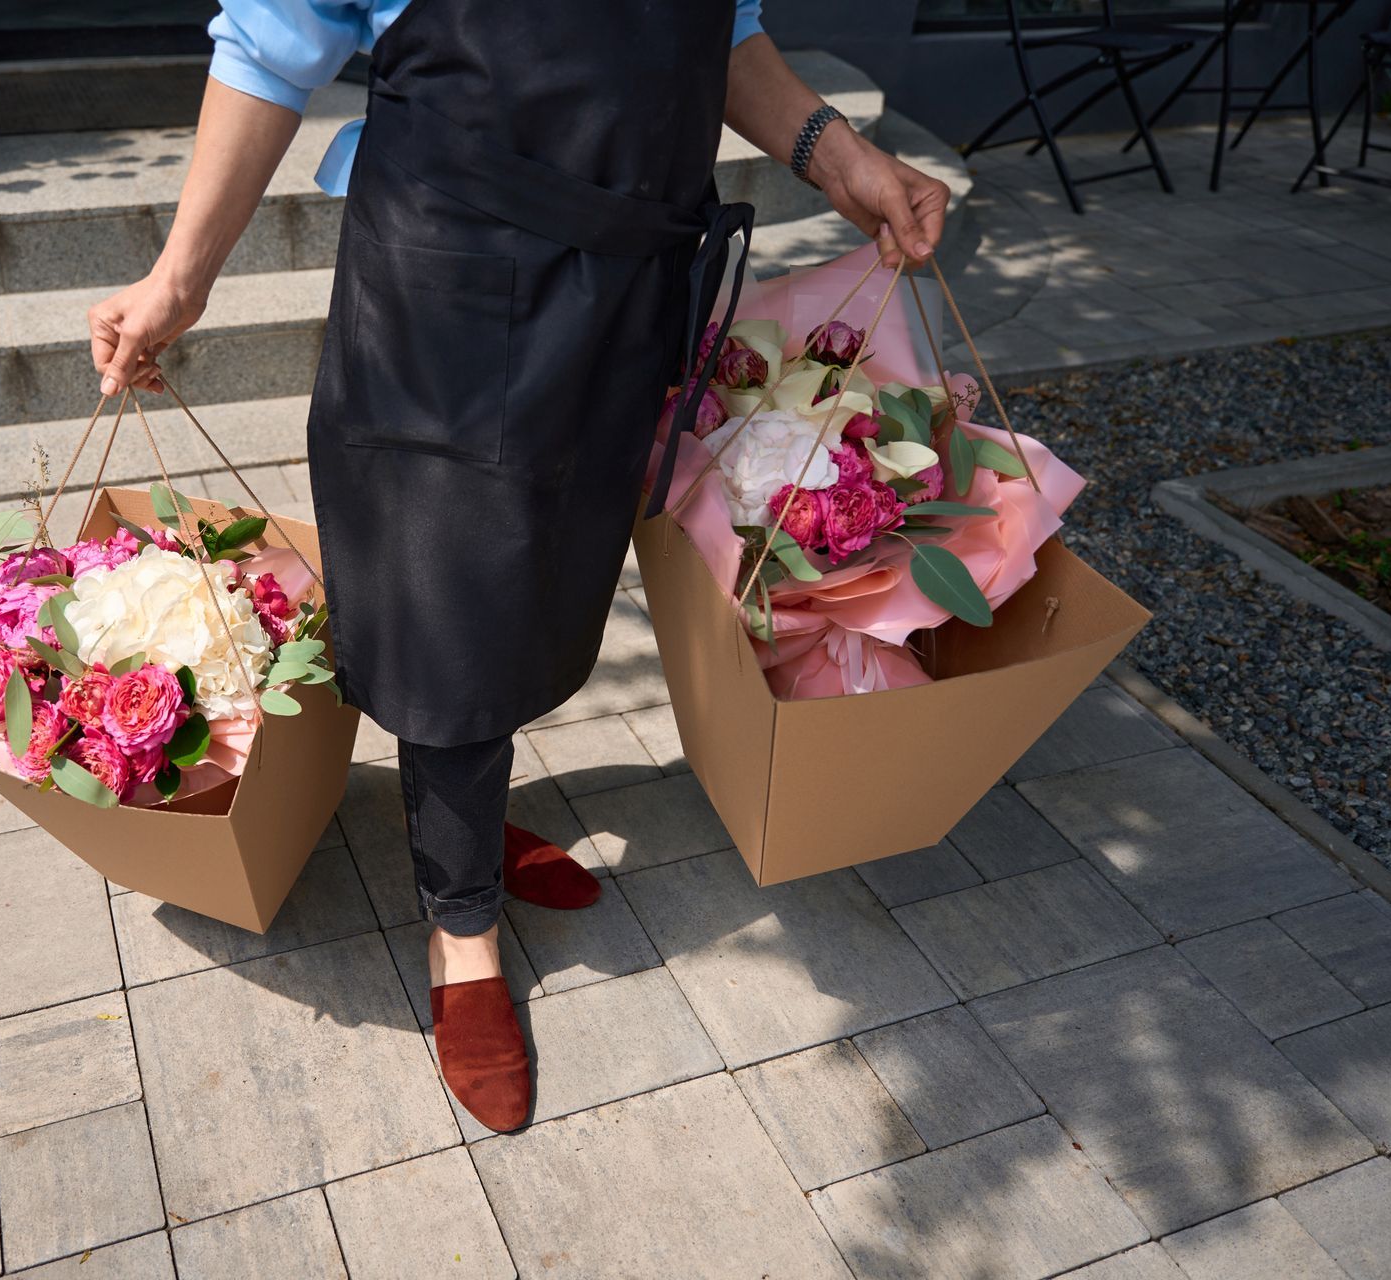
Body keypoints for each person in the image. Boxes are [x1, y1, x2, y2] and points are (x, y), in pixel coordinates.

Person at [88, 0, 951, 1132]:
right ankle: (462, 929)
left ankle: (464, 814)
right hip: (451, 264)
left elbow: (720, 30)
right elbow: (268, 42)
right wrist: (181, 278)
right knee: (450, 585)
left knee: (552, 569)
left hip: (634, 282)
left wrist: (846, 164)